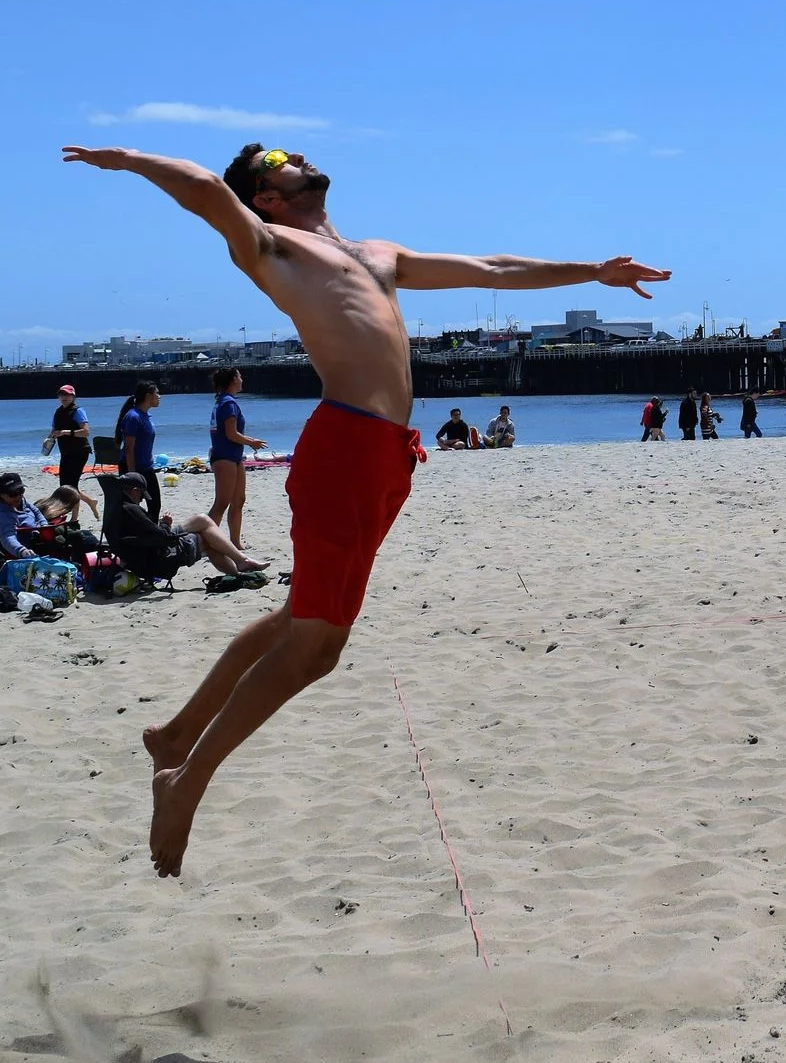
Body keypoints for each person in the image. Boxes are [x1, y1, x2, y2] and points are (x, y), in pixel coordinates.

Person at [63, 139, 665, 877]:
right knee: (318, 646)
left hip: (386, 456)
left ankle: (178, 734)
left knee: (298, 619)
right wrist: (125, 158)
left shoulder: (377, 252)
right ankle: (185, 782)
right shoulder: (269, 244)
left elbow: (494, 269)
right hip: (345, 444)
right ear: (268, 195)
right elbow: (200, 188)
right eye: (281, 156)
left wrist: (594, 271)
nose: (300, 155)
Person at [106, 471, 266, 581]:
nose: (141, 500)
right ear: (134, 491)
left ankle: (240, 563)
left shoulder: (116, 506)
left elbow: (148, 535)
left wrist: (162, 526)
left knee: (202, 519)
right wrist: (165, 524)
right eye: (141, 495)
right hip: (158, 559)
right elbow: (164, 538)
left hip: (141, 553)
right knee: (209, 540)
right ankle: (240, 567)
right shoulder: (132, 509)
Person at [207, 368, 266, 549]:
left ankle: (235, 542)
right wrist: (252, 442)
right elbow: (231, 433)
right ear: (233, 379)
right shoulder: (227, 403)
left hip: (235, 456)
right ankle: (205, 541)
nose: (242, 379)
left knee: (239, 500)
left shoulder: (225, 401)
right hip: (224, 457)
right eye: (239, 376)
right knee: (222, 502)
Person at [115, 382, 162, 519]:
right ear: (148, 396)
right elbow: (129, 448)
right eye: (157, 393)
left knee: (154, 504)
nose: (160, 396)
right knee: (130, 505)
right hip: (133, 468)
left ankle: (152, 534)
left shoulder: (145, 415)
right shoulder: (133, 417)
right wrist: (132, 474)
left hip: (146, 468)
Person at [0, 472, 53, 559]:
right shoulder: (2, 514)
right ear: (2, 495)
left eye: (21, 491)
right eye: (12, 494)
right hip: (29, 545)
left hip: (40, 533)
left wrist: (44, 525)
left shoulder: (21, 500)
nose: (18, 496)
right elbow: (7, 537)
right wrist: (21, 550)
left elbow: (36, 511)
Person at [46, 386, 91, 497]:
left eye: (67, 395)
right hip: (66, 452)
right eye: (61, 395)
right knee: (64, 486)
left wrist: (66, 432)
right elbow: (54, 431)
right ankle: (91, 502)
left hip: (80, 452)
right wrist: (48, 439)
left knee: (71, 486)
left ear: (73, 396)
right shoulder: (58, 412)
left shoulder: (78, 411)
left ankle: (74, 515)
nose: (64, 397)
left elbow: (85, 432)